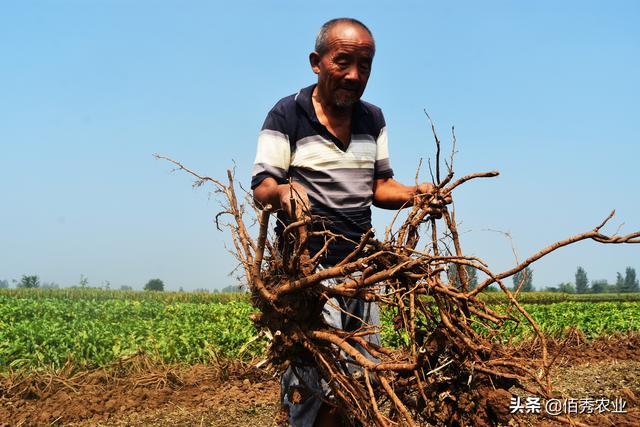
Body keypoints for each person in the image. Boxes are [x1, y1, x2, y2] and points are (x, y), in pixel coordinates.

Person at [251, 18, 447, 427]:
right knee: (316, 388)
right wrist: (284, 192)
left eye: (365, 65)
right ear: (316, 62)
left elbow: (379, 187)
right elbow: (262, 186)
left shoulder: (372, 119)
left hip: (362, 270)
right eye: (343, 62)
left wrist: (416, 193)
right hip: (309, 279)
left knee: (362, 382)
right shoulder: (287, 114)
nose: (355, 75)